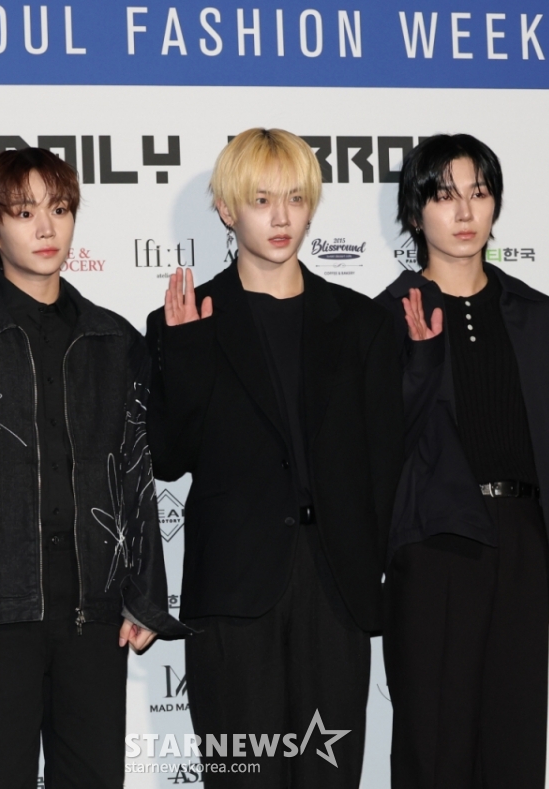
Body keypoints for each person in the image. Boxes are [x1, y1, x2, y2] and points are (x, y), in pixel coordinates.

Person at [0, 147, 186, 789]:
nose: (47, 228)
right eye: (25, 213)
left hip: (94, 614)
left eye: (60, 209)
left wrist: (145, 594)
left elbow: (138, 475)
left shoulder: (114, 341)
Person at [145, 128, 402, 787]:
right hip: (233, 589)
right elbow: (168, 459)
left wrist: (370, 566)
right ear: (227, 209)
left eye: (295, 198)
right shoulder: (184, 321)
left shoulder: (362, 322)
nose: (281, 217)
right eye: (261, 200)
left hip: (336, 590)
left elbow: (385, 464)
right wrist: (186, 353)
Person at [375, 133, 549, 788]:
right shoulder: (382, 320)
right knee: (435, 747)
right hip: (434, 546)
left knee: (513, 747)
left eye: (478, 192)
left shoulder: (537, 315)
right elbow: (373, 452)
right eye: (445, 196)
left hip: (524, 543)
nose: (464, 211)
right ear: (416, 210)